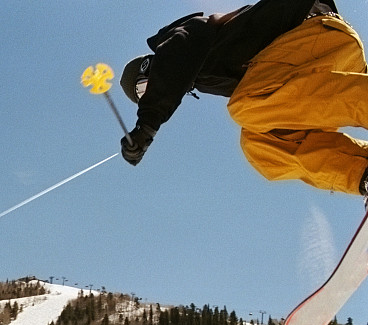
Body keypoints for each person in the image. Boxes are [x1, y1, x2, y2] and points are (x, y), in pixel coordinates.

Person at [119, 0, 368, 197]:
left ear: (149, 66)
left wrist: (147, 123)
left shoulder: (179, 39)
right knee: (257, 145)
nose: (148, 93)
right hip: (330, 67)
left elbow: (174, 56)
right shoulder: (208, 77)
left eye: (144, 87)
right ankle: (361, 172)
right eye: (142, 96)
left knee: (245, 106)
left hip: (314, 33)